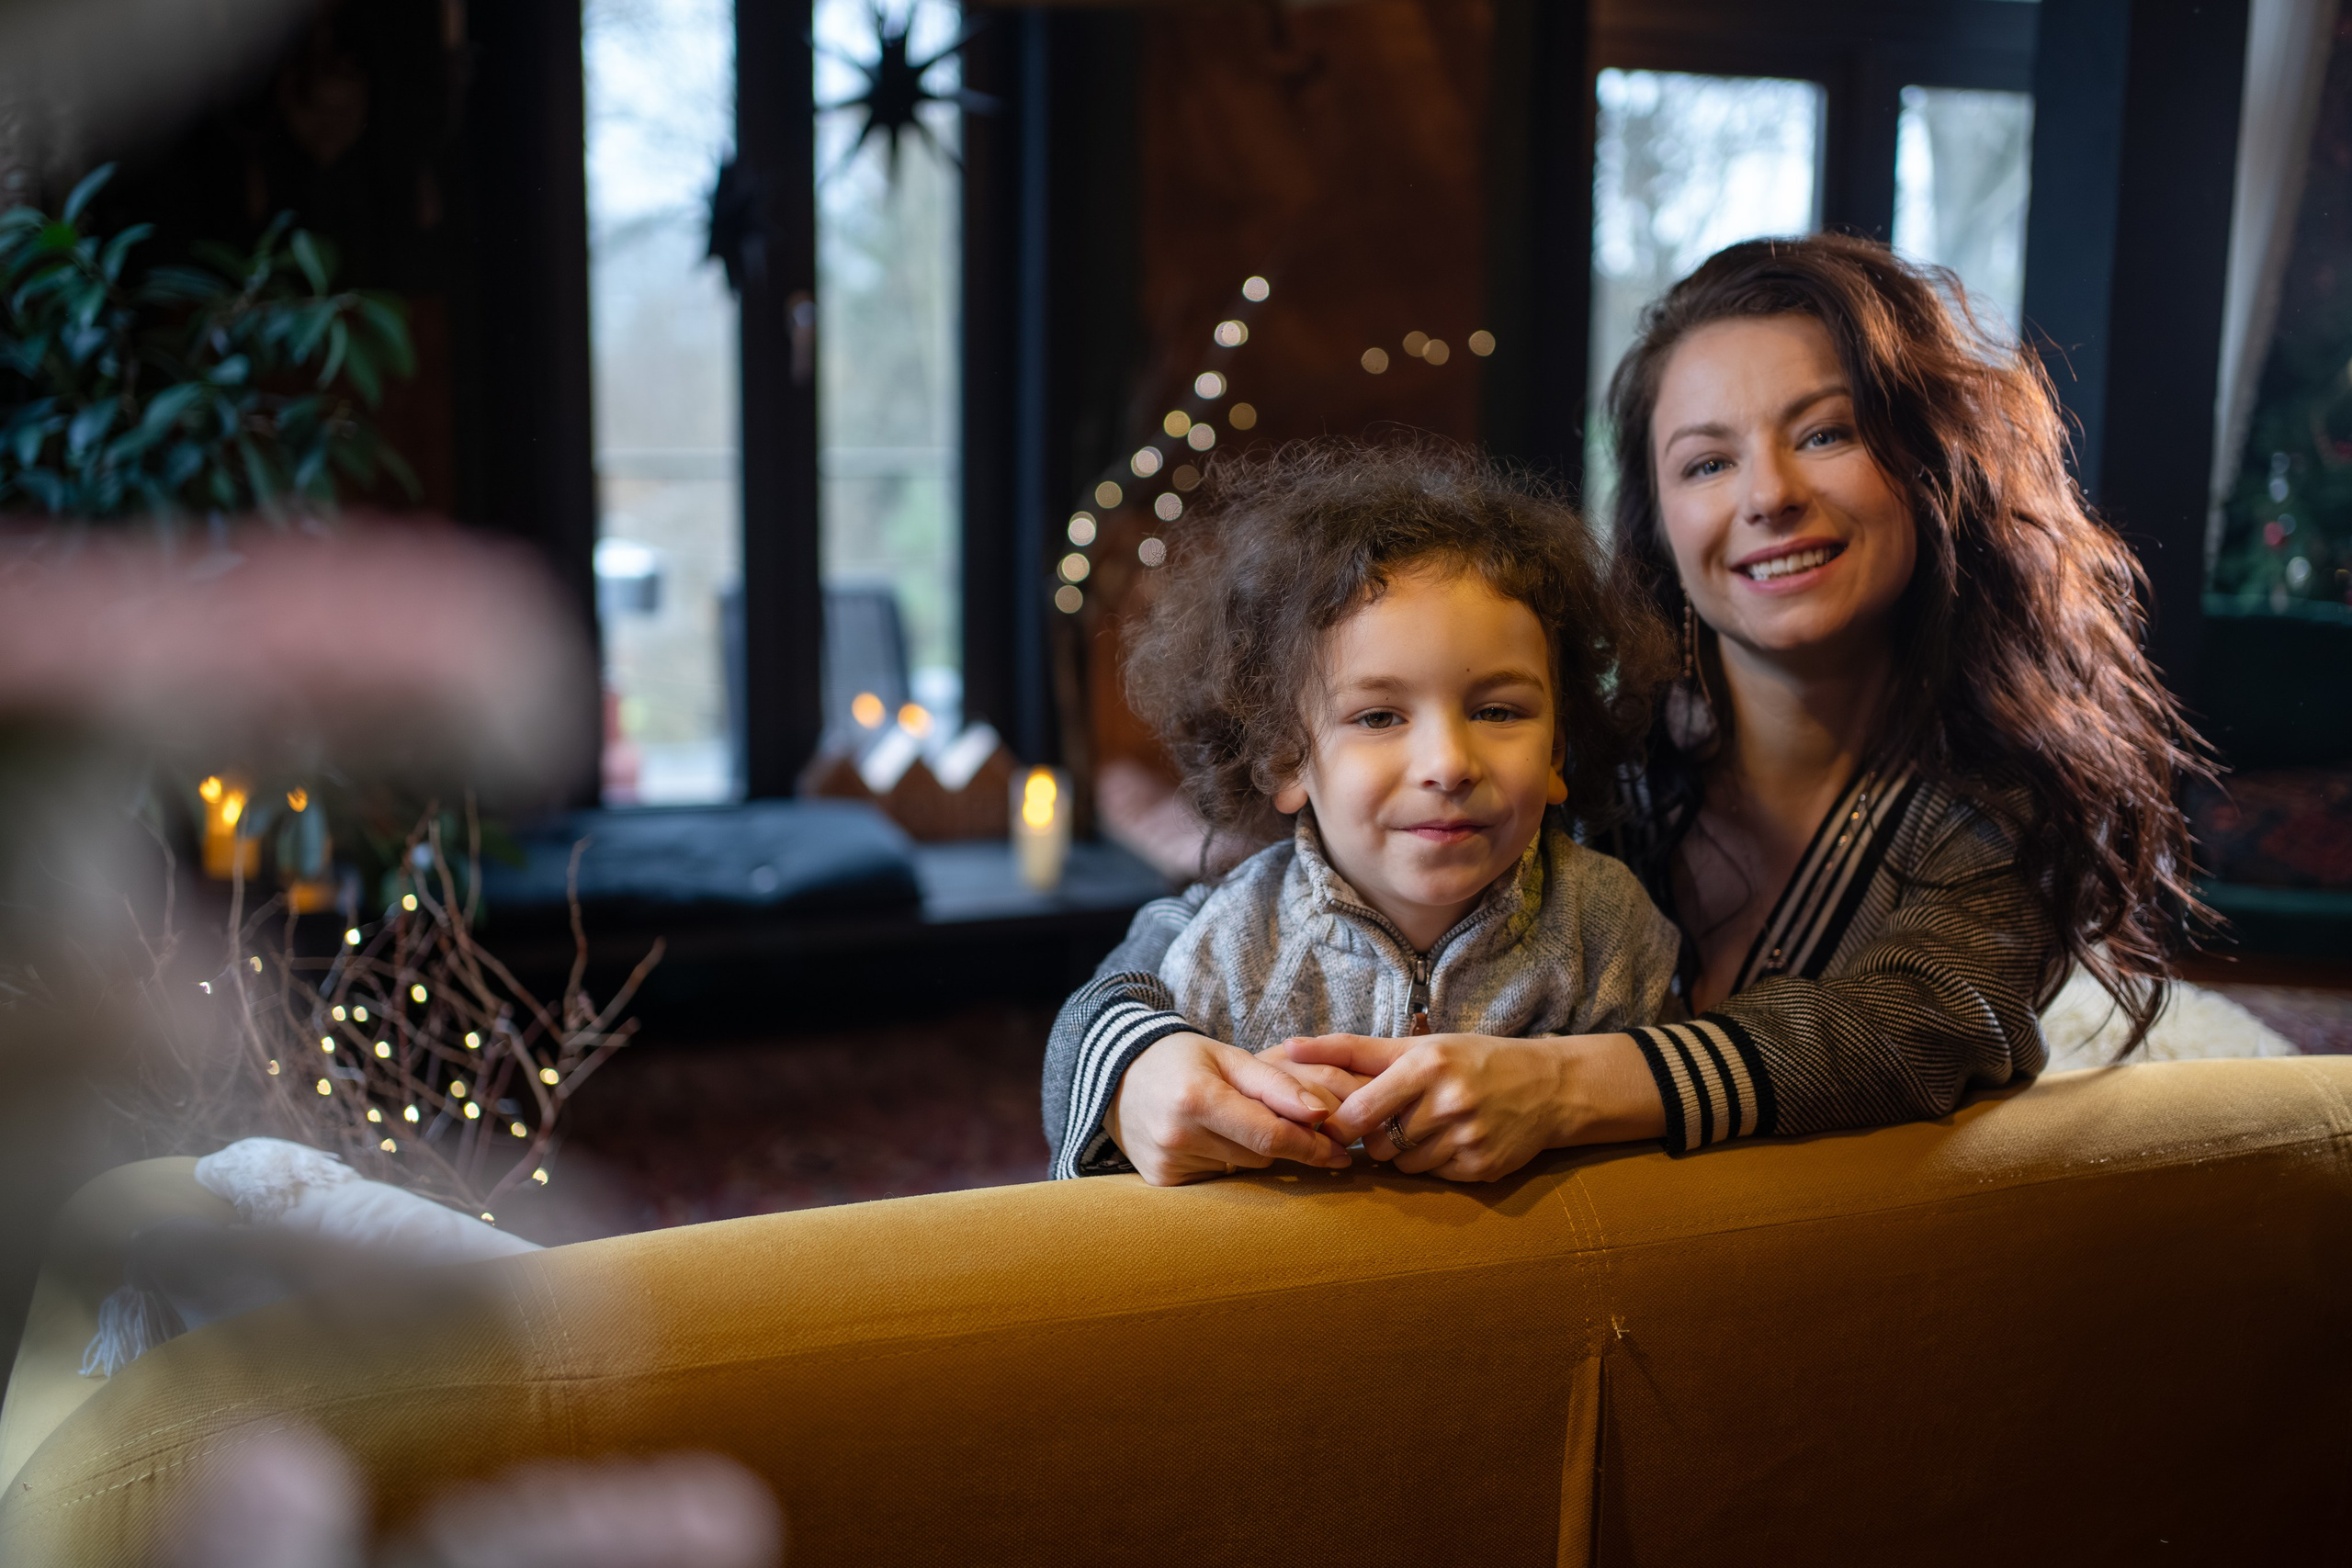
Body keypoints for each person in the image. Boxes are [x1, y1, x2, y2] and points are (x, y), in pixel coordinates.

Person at [1044, 233, 2204, 1185]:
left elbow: (1914, 1028)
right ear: (1656, 519)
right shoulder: (1593, 754)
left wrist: (1567, 1085)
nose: (1768, 496)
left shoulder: (1983, 812)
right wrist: (1144, 1071)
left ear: (1931, 466)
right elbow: (1164, 954)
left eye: (1825, 433)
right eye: (1705, 463)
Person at [1070, 444, 1684, 1178]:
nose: (1449, 764)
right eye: (1379, 717)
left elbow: (1656, 1188)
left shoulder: (1609, 932)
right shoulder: (1226, 950)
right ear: (1285, 758)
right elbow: (1129, 1191)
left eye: (1497, 709)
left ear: (1558, 752)